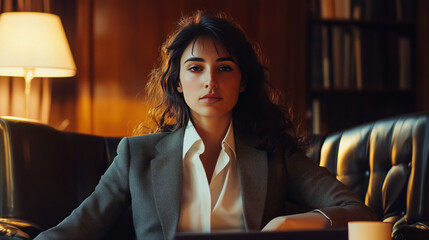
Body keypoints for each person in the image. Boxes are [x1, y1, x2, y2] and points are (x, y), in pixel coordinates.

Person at [35, 10, 377, 240]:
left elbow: (357, 212)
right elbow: (73, 230)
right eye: (196, 68)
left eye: (225, 68)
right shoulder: (135, 155)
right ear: (178, 82)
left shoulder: (275, 155)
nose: (210, 81)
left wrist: (292, 223)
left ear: (242, 81)